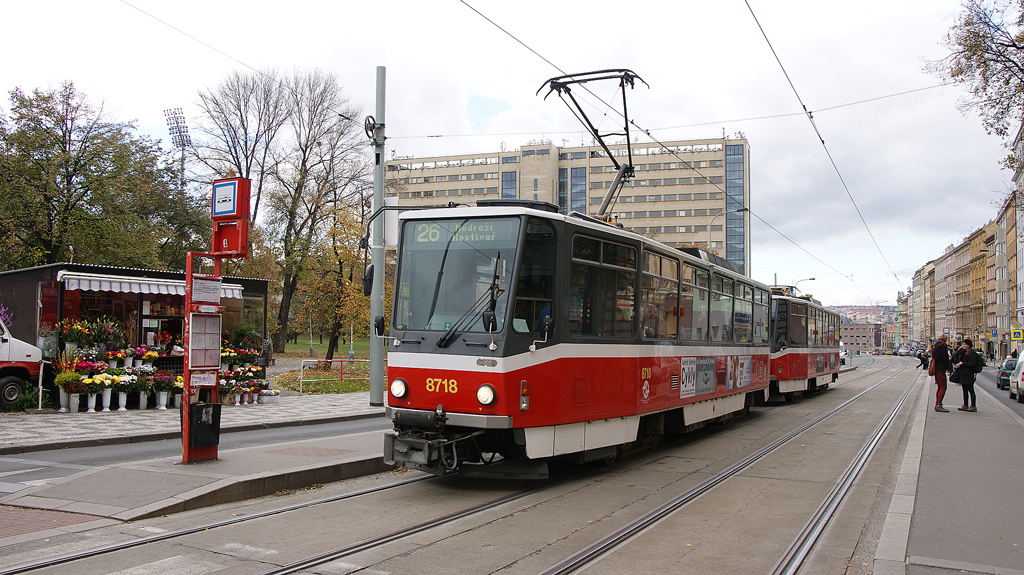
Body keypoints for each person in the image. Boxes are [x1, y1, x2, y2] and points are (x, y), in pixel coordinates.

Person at [955, 339, 980, 412]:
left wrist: (963, 364)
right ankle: (965, 404)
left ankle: (973, 406)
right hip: (963, 374)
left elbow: (973, 364)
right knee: (964, 390)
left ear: (969, 345)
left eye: (965, 344)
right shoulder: (963, 352)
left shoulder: (973, 354)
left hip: (969, 374)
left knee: (971, 390)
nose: (963, 346)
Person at [930, 334, 952, 412]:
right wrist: (949, 368)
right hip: (940, 368)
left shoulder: (935, 346)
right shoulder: (943, 346)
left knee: (939, 387)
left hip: (936, 368)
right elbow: (945, 358)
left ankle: (938, 403)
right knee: (943, 387)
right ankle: (939, 404)